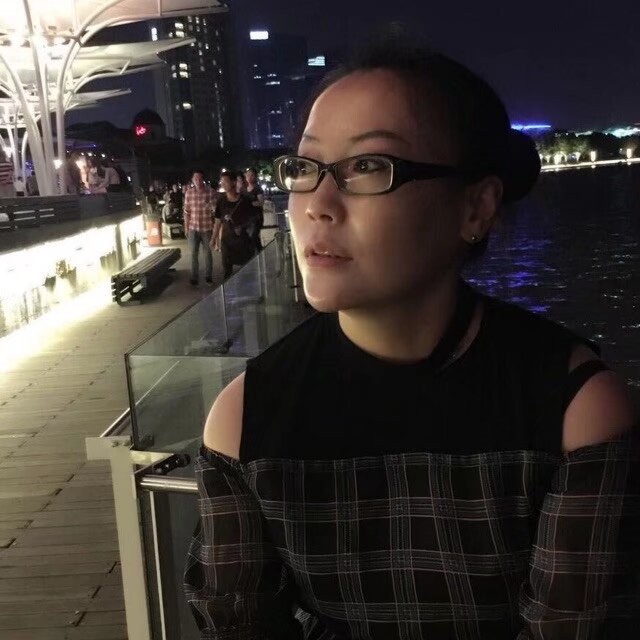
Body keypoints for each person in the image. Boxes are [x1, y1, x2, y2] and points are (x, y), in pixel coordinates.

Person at [184, 35, 639, 639]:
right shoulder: (245, 417)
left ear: (475, 208)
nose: (317, 204)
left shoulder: (574, 410)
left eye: (368, 166)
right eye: (304, 168)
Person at [211, 171, 256, 280]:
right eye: (221, 182)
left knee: (247, 271)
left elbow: (252, 219)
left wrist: (243, 227)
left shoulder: (245, 200)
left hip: (243, 240)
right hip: (227, 241)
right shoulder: (221, 201)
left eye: (225, 182)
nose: (223, 184)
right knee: (227, 271)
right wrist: (213, 238)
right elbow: (217, 221)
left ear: (234, 182)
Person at [183, 170, 217, 285]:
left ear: (203, 179)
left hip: (207, 228)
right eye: (195, 178)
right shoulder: (189, 193)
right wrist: (186, 227)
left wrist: (209, 204)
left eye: (200, 178)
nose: (198, 180)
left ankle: (208, 276)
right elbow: (186, 212)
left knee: (208, 253)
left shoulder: (211, 192)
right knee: (193, 253)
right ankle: (194, 277)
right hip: (193, 228)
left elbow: (215, 210)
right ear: (192, 180)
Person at [244, 166, 265, 251]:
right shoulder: (244, 189)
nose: (249, 177)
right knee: (255, 239)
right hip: (248, 219)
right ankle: (260, 253)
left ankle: (255, 254)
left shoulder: (258, 188)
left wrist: (250, 204)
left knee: (253, 237)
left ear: (255, 177)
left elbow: (261, 202)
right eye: (248, 175)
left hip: (257, 218)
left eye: (252, 175)